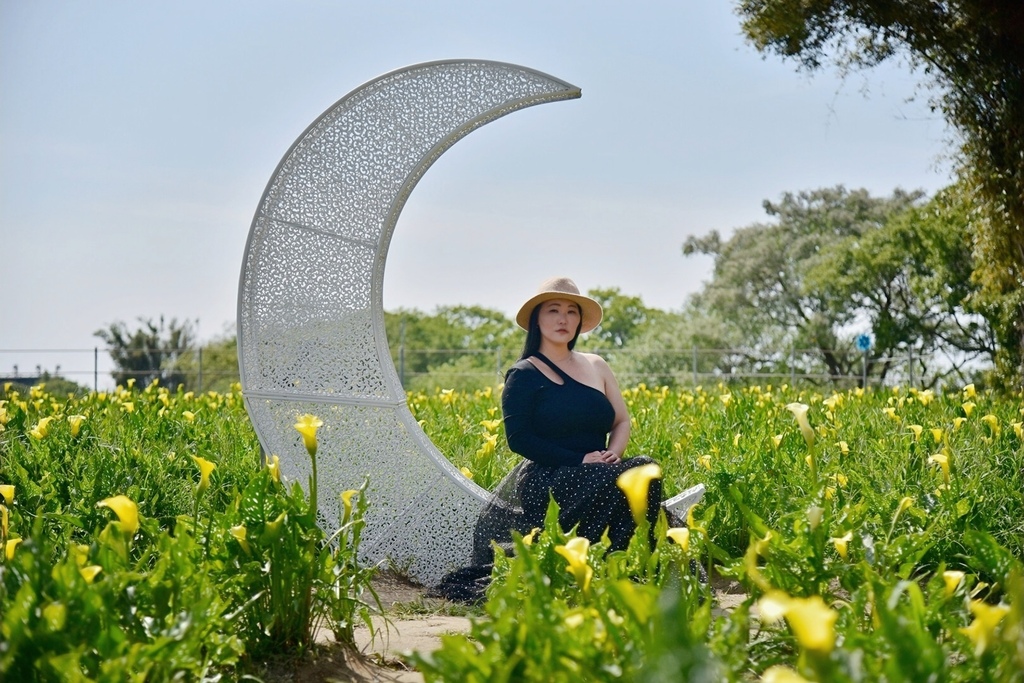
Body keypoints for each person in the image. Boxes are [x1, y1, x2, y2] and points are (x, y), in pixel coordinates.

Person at [431, 277, 664, 602]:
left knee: (645, 471)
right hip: (552, 478)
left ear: (580, 321)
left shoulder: (597, 365)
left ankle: (627, 574)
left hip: (602, 472)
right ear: (537, 319)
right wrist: (580, 460)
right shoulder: (523, 375)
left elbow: (622, 420)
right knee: (628, 475)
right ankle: (593, 577)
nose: (563, 319)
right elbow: (519, 439)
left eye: (571, 311)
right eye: (553, 310)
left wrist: (614, 452)